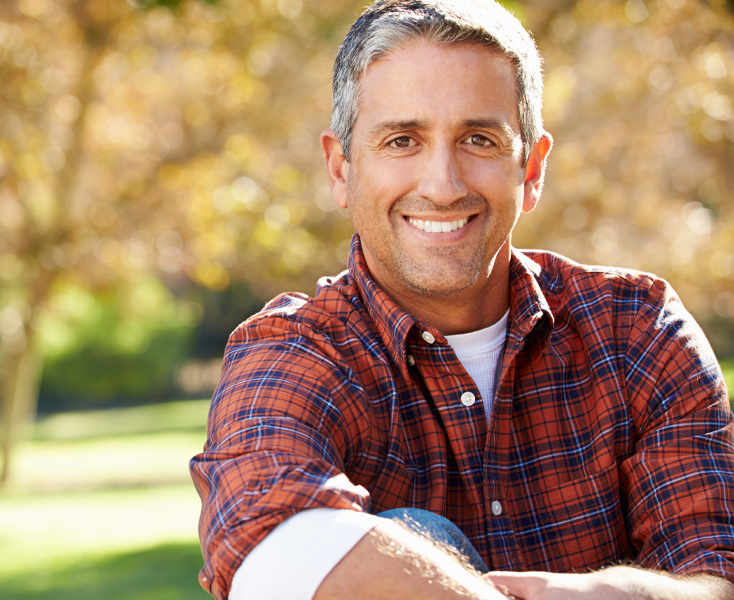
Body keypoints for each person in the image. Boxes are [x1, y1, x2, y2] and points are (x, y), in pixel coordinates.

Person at [187, 1, 734, 599]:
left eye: (479, 138)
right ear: (341, 170)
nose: (443, 185)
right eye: (402, 140)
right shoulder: (295, 351)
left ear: (531, 170)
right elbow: (274, 546)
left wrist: (629, 595)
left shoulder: (636, 328)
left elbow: (715, 571)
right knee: (405, 536)